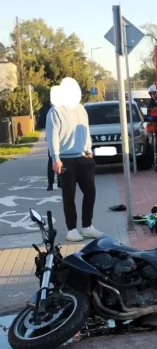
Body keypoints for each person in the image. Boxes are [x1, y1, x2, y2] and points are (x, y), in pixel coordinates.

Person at [47, 78, 103, 242]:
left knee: (90, 192)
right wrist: (55, 158)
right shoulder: (55, 111)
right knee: (68, 195)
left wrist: (89, 150)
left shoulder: (81, 109)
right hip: (65, 160)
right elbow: (52, 136)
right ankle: (71, 230)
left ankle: (87, 226)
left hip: (83, 158)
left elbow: (86, 130)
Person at [45, 87, 61, 192]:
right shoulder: (54, 110)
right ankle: (58, 182)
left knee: (52, 161)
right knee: (57, 160)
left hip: (53, 139)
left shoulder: (51, 109)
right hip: (58, 140)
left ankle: (51, 184)